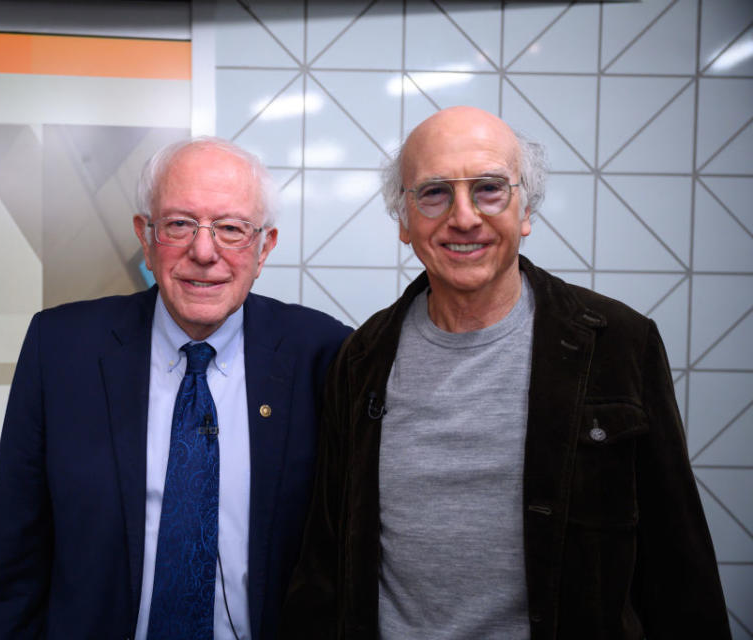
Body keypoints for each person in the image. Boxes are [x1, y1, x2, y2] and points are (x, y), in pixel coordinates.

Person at [280, 107, 731, 639]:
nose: (464, 217)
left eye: (489, 189)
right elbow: (325, 565)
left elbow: (678, 563)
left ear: (525, 211)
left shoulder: (616, 343)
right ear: (404, 221)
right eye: (434, 193)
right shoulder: (362, 358)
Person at [0, 137, 350, 639]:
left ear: (265, 247)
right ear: (145, 237)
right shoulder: (60, 351)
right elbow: (12, 561)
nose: (204, 252)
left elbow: (348, 565)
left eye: (232, 229)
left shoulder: (326, 355)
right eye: (179, 225)